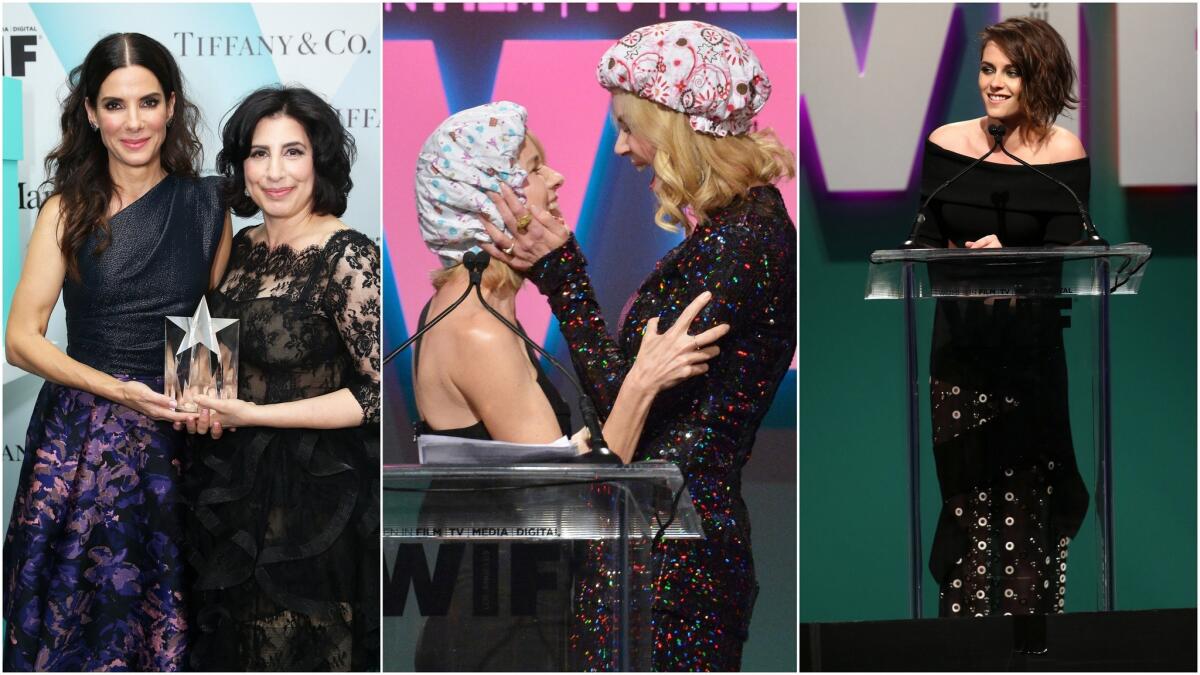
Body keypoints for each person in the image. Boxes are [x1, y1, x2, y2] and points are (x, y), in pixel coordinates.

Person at [481, 21, 797, 671]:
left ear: (675, 124)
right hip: (659, 543)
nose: (621, 147)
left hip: (669, 558)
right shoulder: (734, 231)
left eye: (629, 126)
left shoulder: (743, 240)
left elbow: (626, 396)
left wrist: (563, 274)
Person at [409, 101, 726, 671]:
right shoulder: (476, 330)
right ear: (486, 198)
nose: (555, 179)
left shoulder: (480, 309)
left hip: (519, 616)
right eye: (533, 168)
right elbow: (578, 504)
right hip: (503, 639)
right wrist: (642, 382)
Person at [3, 32, 231, 671]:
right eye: (114, 105)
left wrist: (207, 398)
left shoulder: (209, 203)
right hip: (82, 440)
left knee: (163, 625)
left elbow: (208, 326)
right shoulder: (65, 210)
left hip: (175, 443)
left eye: (148, 102)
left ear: (172, 106)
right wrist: (114, 388)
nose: (133, 123)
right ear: (90, 113)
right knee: (75, 623)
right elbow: (20, 339)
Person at [179, 85, 379, 671]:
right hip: (232, 482)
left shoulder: (348, 254)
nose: (274, 172)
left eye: (292, 152)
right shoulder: (242, 247)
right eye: (258, 154)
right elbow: (213, 353)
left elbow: (376, 394)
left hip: (315, 497)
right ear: (241, 167)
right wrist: (200, 397)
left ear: (320, 160)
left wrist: (256, 415)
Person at [912, 17, 1091, 617]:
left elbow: (1075, 251)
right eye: (987, 69)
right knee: (966, 496)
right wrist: (959, 258)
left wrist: (1012, 257)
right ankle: (963, 638)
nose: (994, 82)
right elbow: (923, 241)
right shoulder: (946, 144)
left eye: (1010, 71)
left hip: (1029, 353)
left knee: (1027, 497)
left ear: (1037, 77)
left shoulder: (1062, 152)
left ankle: (1028, 640)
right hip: (959, 353)